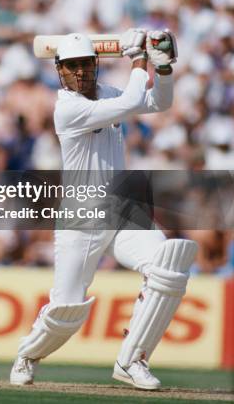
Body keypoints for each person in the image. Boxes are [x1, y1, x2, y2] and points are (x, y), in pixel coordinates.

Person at [10, 29, 197, 391]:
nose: (79, 72)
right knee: (66, 310)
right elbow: (130, 102)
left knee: (168, 265)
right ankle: (27, 355)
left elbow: (159, 104)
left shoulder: (109, 93)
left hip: (123, 209)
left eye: (84, 64)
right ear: (60, 71)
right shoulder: (68, 107)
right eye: (71, 66)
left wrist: (162, 67)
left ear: (95, 65)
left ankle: (132, 360)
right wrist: (137, 57)